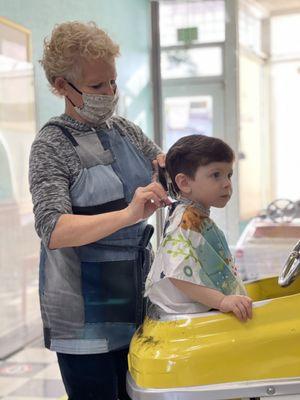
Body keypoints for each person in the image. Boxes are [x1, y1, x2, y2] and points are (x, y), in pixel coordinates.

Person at [29, 21, 170, 400]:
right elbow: (54, 229)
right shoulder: (51, 144)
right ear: (61, 85)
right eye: (95, 86)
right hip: (84, 314)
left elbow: (166, 171)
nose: (108, 93)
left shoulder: (124, 129)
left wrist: (194, 172)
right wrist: (128, 214)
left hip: (135, 298)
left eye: (112, 82)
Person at [145, 134, 253, 322]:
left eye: (229, 174)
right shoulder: (185, 221)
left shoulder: (196, 216)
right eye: (216, 175)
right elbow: (177, 274)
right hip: (183, 321)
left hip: (196, 314)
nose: (227, 183)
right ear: (184, 183)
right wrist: (222, 301)